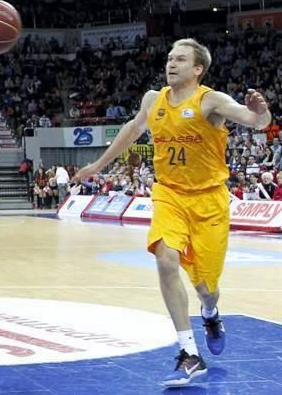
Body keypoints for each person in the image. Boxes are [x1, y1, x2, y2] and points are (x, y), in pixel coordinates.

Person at [74, 38, 271, 388]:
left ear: (198, 69)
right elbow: (132, 130)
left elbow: (254, 121)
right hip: (169, 195)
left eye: (181, 59)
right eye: (169, 58)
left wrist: (260, 111)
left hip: (210, 202)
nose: (171, 63)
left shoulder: (211, 100)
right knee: (166, 259)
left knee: (207, 288)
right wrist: (97, 166)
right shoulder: (153, 100)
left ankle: (210, 314)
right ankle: (189, 353)